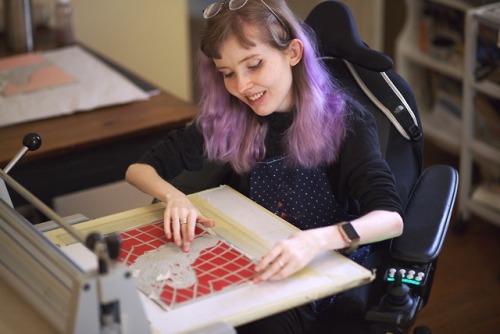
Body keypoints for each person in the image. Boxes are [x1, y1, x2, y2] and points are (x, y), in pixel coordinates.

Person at [125, 0, 404, 332]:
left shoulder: (346, 121)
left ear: (293, 53)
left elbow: (390, 219)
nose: (242, 86)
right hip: (248, 262)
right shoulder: (231, 117)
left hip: (314, 276)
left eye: (253, 65)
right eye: (227, 73)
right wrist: (175, 198)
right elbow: (138, 170)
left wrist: (314, 241)